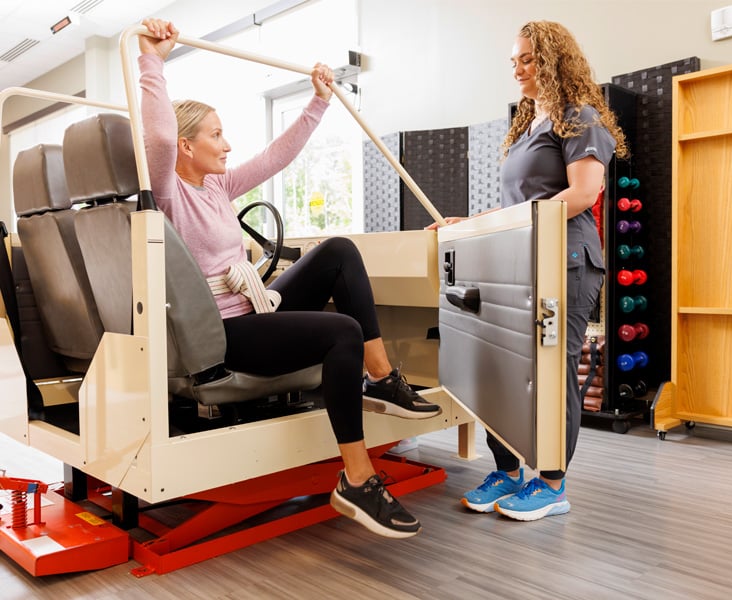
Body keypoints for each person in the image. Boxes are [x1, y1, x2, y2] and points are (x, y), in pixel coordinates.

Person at [138, 18, 440, 538]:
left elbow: (279, 156)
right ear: (186, 147)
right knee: (340, 330)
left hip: (252, 305)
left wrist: (318, 101)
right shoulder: (168, 192)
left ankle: (383, 378)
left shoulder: (217, 186)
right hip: (226, 332)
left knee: (338, 251)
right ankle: (357, 478)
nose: (227, 145)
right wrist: (152, 61)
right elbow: (159, 134)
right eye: (216, 135)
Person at [428, 20, 628, 521]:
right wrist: (471, 223)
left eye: (529, 59)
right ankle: (510, 469)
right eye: (514, 60)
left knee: (551, 373)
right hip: (523, 260)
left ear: (554, 61)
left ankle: (552, 484)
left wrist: (511, 224)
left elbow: (583, 194)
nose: (518, 68)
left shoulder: (579, 118)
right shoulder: (527, 126)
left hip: (568, 260)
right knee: (503, 369)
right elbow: (522, 205)